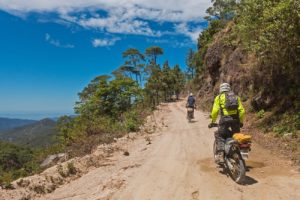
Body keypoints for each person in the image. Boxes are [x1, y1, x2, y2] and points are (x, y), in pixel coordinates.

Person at [208, 83, 245, 163]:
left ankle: (221, 155)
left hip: (224, 120)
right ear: (229, 88)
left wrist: (213, 121)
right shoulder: (236, 97)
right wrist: (241, 121)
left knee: (220, 135)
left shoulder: (219, 97)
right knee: (236, 136)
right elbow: (242, 111)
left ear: (221, 89)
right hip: (235, 120)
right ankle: (239, 152)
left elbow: (215, 111)